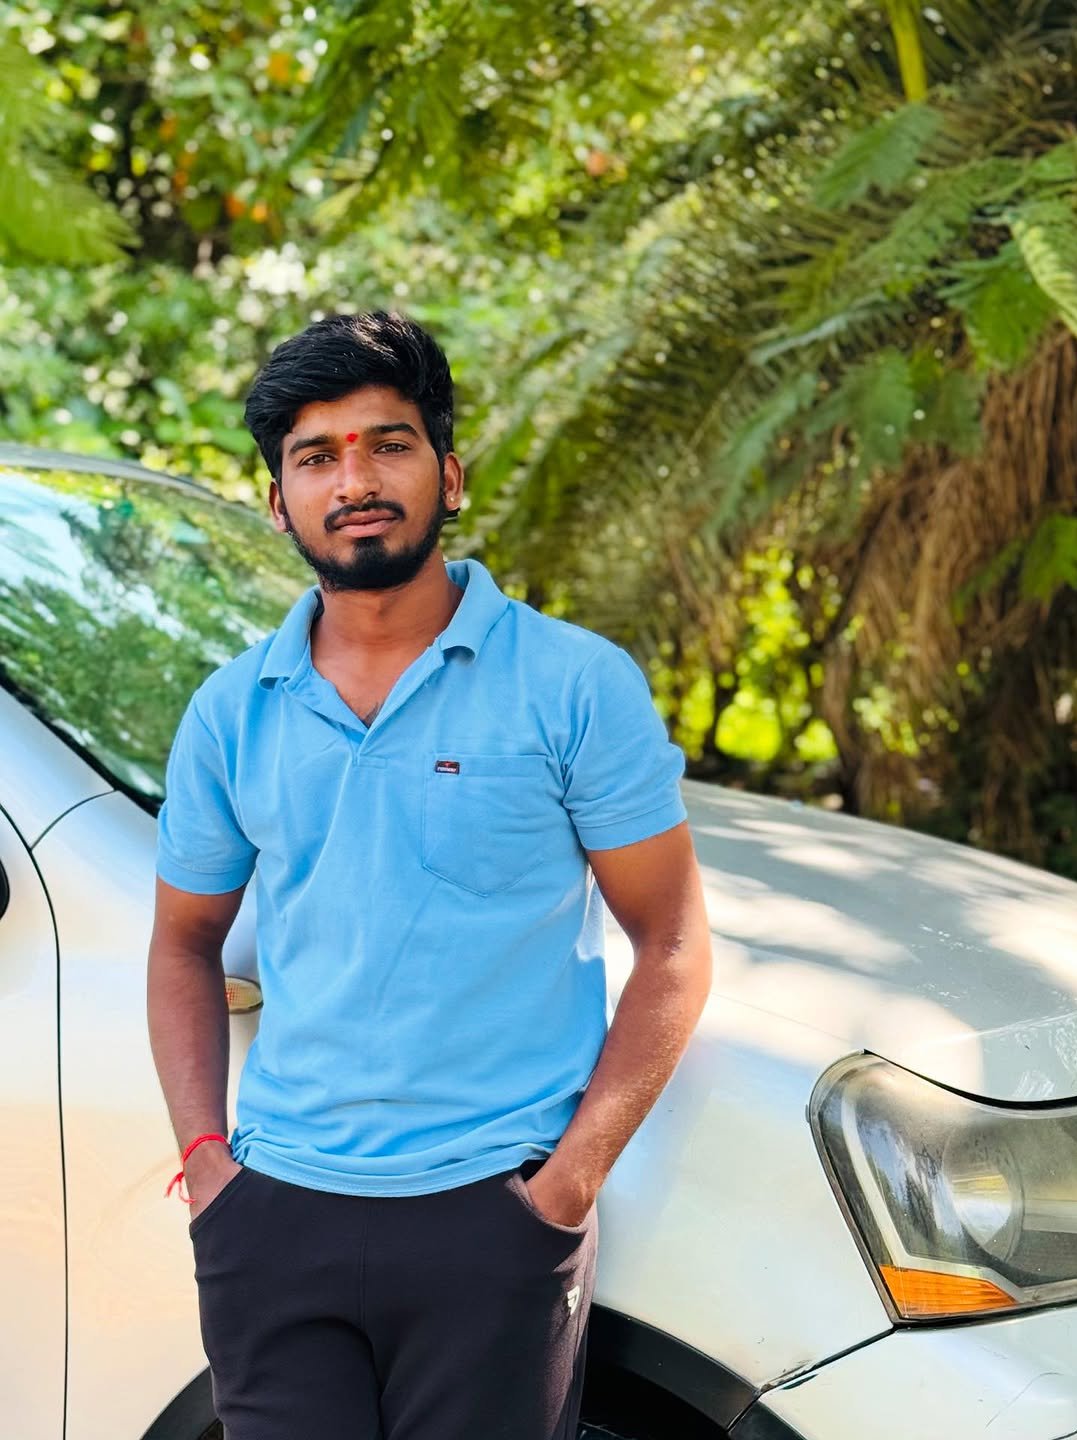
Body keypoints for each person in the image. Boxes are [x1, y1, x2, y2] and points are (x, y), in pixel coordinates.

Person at [146, 309, 712, 1440]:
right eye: (316, 457)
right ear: (280, 503)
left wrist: (564, 1192)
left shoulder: (574, 685)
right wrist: (210, 1170)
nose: (353, 479)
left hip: (492, 1220)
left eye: (386, 444)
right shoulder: (231, 712)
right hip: (276, 1222)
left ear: (448, 476)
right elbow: (182, 944)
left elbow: (674, 946)